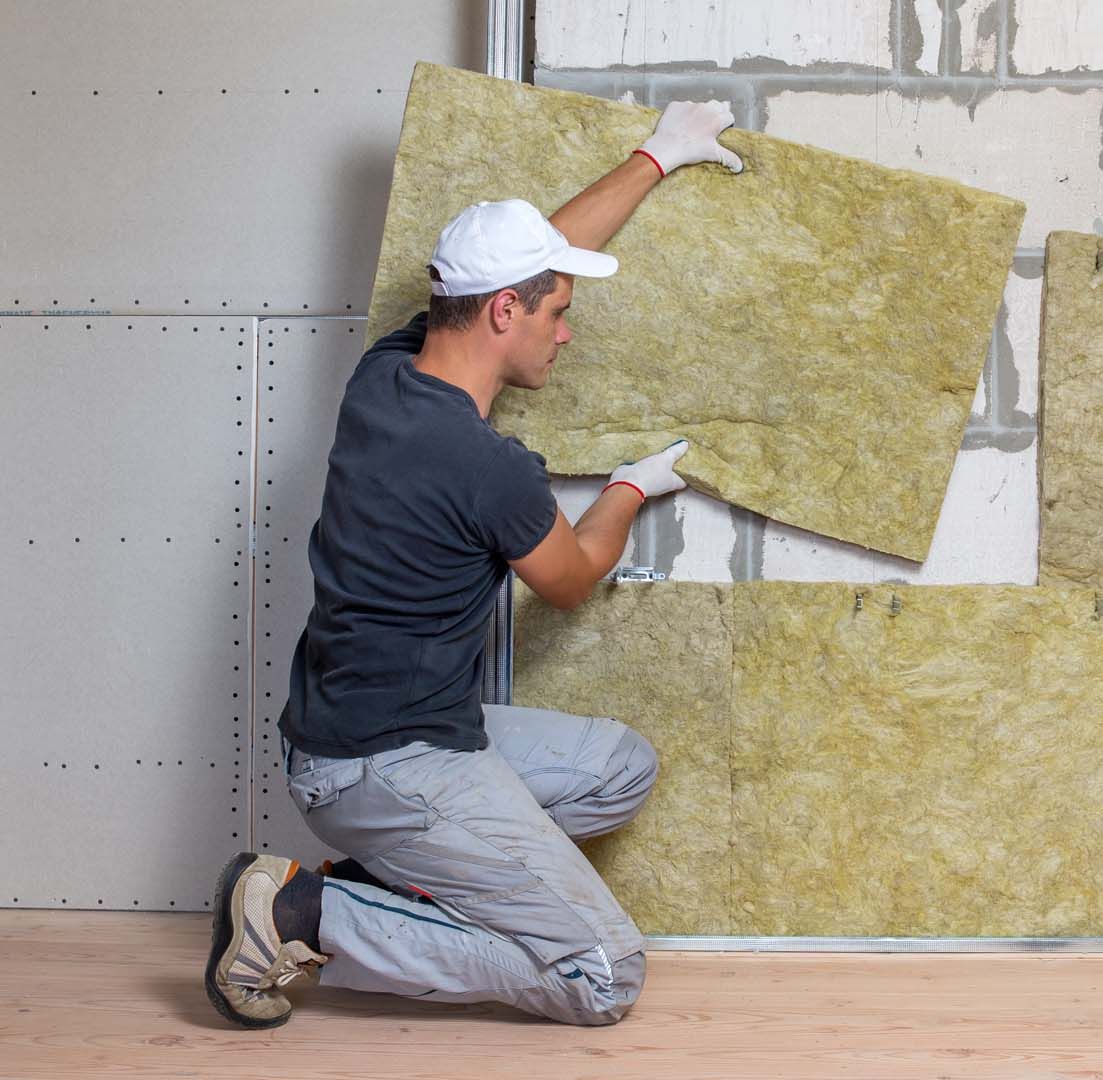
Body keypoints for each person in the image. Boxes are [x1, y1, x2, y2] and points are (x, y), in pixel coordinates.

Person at [203, 99, 745, 1030]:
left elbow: (531, 265)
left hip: (361, 728)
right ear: (507, 312)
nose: (565, 333)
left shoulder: (388, 374)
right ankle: (301, 911)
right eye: (560, 313)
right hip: (382, 765)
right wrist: (630, 488)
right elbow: (572, 581)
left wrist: (654, 159)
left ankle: (417, 874)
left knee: (619, 769)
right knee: (602, 975)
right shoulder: (489, 468)